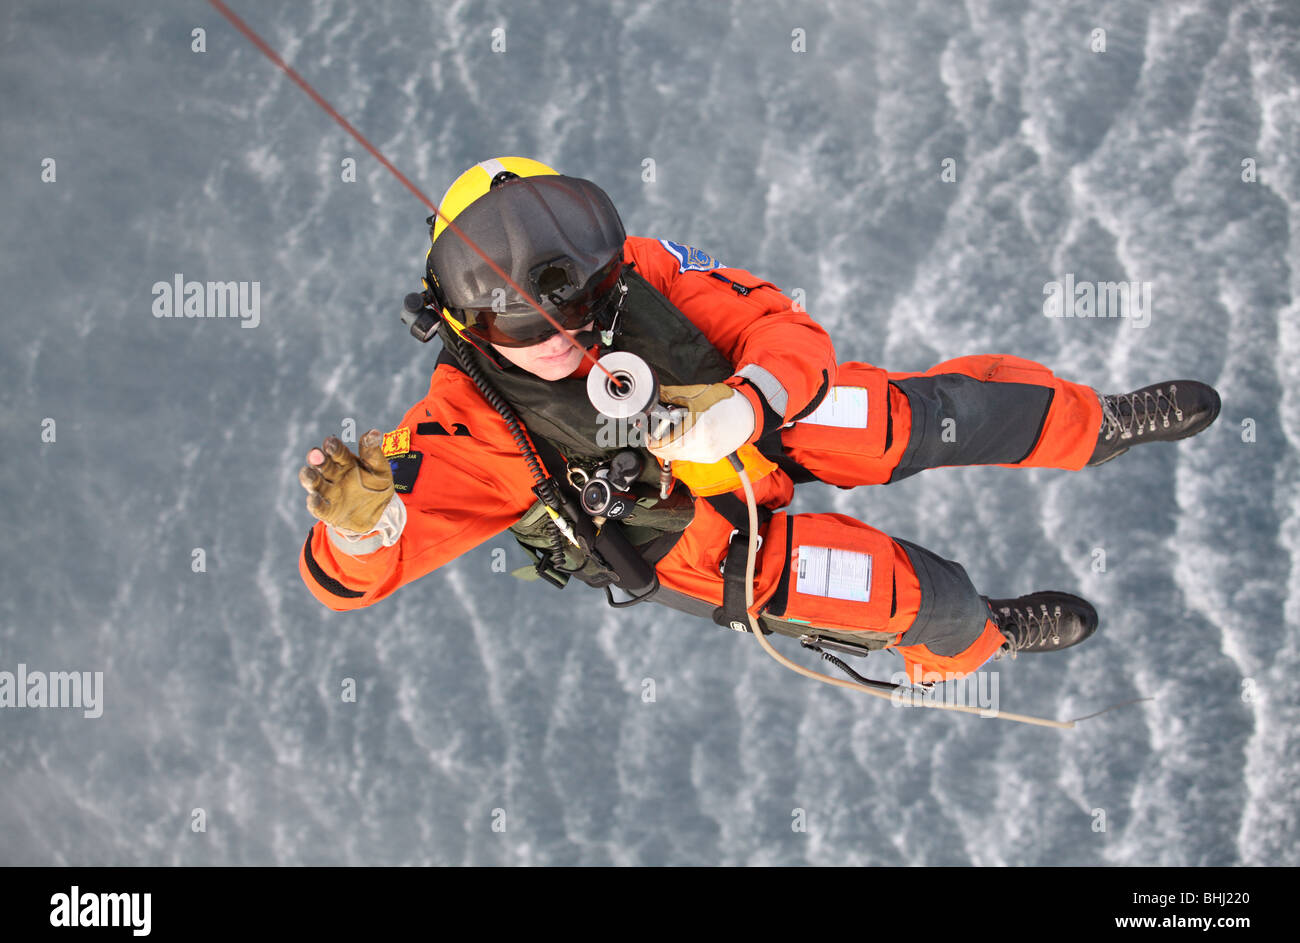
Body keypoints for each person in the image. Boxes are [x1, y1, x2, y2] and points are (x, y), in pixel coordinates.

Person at [297, 156, 1221, 685]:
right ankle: (989, 630)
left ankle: (1096, 425)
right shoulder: (468, 423)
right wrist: (362, 524)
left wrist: (749, 405)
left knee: (928, 415)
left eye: (574, 287)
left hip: (757, 422)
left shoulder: (648, 272)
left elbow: (782, 329)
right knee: (911, 598)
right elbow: (350, 583)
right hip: (700, 539)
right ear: (462, 321)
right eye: (524, 321)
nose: (566, 329)